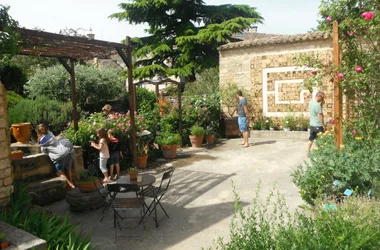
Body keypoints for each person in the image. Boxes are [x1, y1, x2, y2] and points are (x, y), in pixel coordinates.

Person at [38, 124, 75, 189]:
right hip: (65, 151)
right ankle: (72, 182)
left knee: (59, 173)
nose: (41, 129)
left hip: (58, 156)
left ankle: (70, 184)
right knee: (67, 168)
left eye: (42, 128)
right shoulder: (51, 136)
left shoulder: (43, 143)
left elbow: (44, 152)